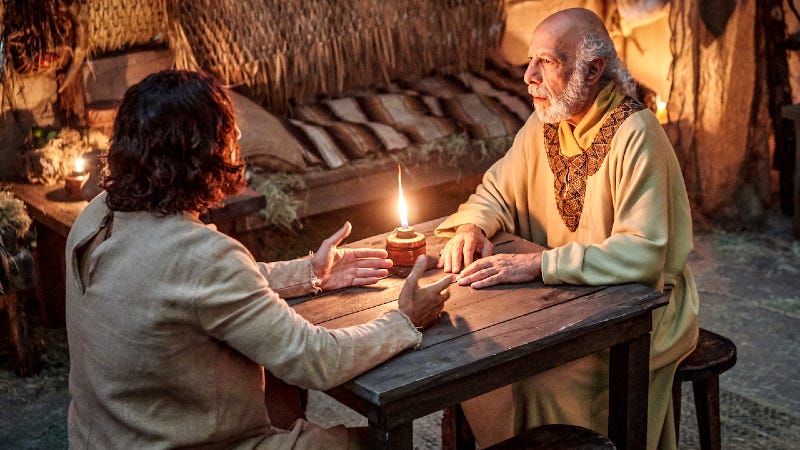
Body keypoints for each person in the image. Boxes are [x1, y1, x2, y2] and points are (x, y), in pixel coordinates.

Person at [65, 69, 452, 449]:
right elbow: (314, 360)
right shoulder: (203, 256)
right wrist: (403, 322)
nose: (237, 143)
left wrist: (310, 273)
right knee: (374, 443)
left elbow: (184, 286)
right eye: (229, 135)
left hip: (100, 437)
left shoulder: (98, 214)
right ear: (204, 154)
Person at [435, 8, 698, 450]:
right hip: (565, 304)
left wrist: (539, 264)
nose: (528, 76)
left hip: (642, 313)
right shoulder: (545, 124)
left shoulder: (637, 134)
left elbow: (643, 254)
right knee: (478, 360)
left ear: (592, 69)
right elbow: (495, 192)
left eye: (547, 61)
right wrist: (472, 227)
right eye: (531, 60)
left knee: (537, 375)